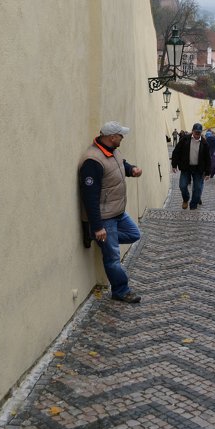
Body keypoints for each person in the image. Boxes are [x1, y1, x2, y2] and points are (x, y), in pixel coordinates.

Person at [78, 121, 142, 304]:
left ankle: (99, 237)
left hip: (117, 212)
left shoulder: (112, 150)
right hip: (105, 218)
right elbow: (89, 197)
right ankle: (121, 290)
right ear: (112, 137)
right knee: (113, 258)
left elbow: (120, 165)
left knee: (134, 234)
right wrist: (98, 227)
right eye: (121, 135)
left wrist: (131, 170)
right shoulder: (92, 160)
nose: (123, 138)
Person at [171, 122, 211, 209]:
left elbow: (208, 158)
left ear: (201, 133)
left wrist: (208, 172)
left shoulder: (204, 143)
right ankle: (186, 199)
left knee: (197, 189)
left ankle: (193, 206)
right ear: (192, 131)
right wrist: (174, 165)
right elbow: (176, 152)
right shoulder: (185, 139)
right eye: (196, 132)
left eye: (199, 132)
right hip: (186, 167)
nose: (197, 134)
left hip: (198, 169)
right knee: (182, 185)